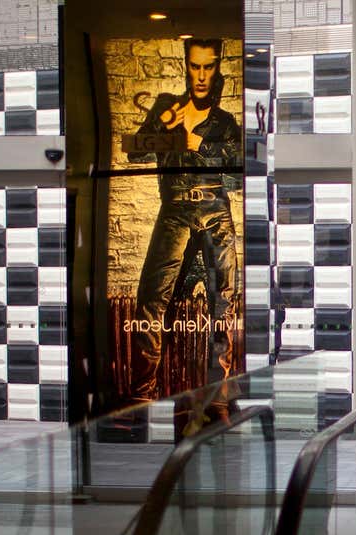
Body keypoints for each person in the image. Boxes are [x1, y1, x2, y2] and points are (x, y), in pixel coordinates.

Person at [126, 37, 243, 401]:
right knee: (149, 300)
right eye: (196, 66)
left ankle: (218, 395)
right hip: (174, 209)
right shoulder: (167, 107)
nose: (202, 75)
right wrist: (163, 127)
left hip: (215, 212)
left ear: (218, 69)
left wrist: (199, 146)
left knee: (223, 304)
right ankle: (143, 395)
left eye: (209, 67)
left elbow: (238, 178)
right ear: (186, 66)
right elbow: (134, 153)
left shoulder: (225, 122)